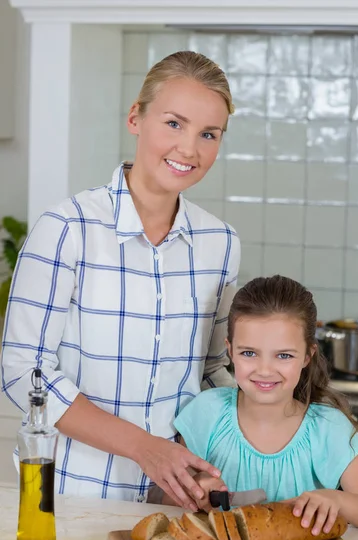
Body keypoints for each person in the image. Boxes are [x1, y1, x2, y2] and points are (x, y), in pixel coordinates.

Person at [1, 51, 241, 511]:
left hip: (175, 501)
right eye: (174, 123)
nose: (189, 149)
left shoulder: (221, 243)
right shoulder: (67, 228)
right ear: (136, 117)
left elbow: (211, 373)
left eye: (208, 134)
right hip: (67, 495)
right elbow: (22, 372)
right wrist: (144, 448)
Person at [170, 275, 358, 533]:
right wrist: (196, 489)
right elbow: (168, 499)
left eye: (284, 355)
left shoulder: (328, 428)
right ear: (230, 351)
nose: (265, 370)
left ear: (307, 356)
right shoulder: (205, 413)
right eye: (249, 353)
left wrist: (336, 500)